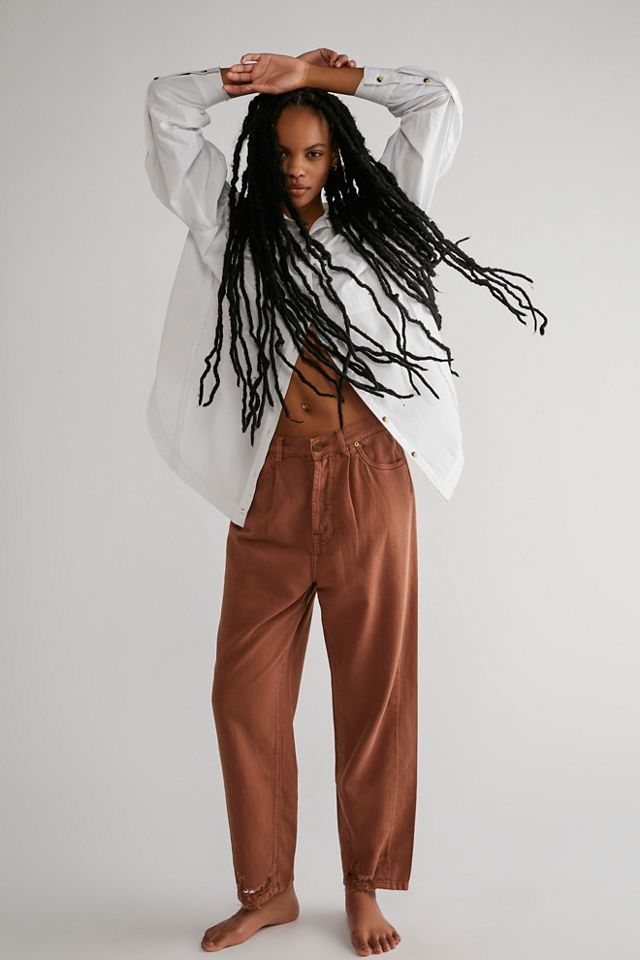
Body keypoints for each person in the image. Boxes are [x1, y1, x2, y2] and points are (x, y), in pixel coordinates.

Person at [143, 47, 548, 956]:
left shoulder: (378, 220)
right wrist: (251, 82)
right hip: (270, 486)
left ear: (338, 155)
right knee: (242, 698)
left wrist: (320, 78)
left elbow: (437, 102)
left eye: (315, 152)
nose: (297, 169)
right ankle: (269, 890)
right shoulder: (228, 225)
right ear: (260, 153)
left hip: (370, 477)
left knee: (373, 694)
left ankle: (363, 886)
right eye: (283, 152)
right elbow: (166, 107)